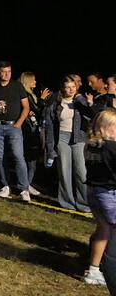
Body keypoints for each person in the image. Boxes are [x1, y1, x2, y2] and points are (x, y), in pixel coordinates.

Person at [0, 61, 31, 201]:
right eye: (4, 71)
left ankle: (24, 188)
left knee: (18, 156)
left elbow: (26, 107)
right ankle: (5, 186)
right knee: (0, 157)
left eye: (9, 71)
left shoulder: (17, 86)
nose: (7, 74)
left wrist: (18, 123)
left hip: (13, 126)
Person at [43, 75, 91, 212]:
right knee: (64, 171)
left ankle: (85, 203)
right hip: (62, 137)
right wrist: (50, 149)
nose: (71, 90)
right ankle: (67, 202)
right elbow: (50, 126)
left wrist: (88, 104)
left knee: (81, 171)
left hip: (78, 138)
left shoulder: (80, 100)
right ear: (63, 88)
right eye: (68, 87)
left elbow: (90, 118)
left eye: (73, 87)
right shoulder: (57, 102)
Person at [84, 108, 116, 286]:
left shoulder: (90, 145)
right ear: (108, 127)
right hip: (109, 195)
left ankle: (94, 268)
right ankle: (108, 267)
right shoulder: (112, 147)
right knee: (111, 234)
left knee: (103, 230)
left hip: (94, 192)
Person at [19, 72, 50, 195]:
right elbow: (36, 110)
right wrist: (42, 99)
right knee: (30, 158)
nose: (35, 82)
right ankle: (25, 184)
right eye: (33, 80)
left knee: (32, 159)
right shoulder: (26, 95)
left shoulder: (32, 95)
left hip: (33, 128)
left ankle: (27, 183)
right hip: (28, 130)